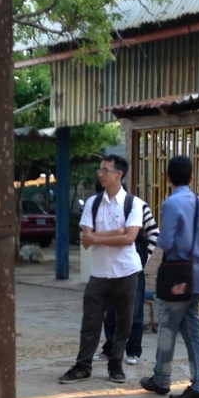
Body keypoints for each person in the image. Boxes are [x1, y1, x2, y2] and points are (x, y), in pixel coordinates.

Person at [60, 154, 145, 385]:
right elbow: (86, 240)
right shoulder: (93, 203)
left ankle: (115, 364)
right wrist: (115, 233)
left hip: (126, 271)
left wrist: (100, 236)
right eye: (100, 170)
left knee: (124, 321)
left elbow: (129, 238)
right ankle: (83, 366)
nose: (101, 174)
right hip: (99, 272)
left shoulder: (134, 204)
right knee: (91, 321)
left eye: (105, 170)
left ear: (118, 174)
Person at [140, 155, 199, 398]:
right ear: (191, 177)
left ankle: (162, 378)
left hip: (176, 277)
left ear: (167, 178)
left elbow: (167, 241)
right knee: (194, 334)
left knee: (167, 329)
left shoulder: (171, 204)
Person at [98, 190, 159, 364]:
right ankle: (110, 348)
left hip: (133, 268)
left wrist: (143, 259)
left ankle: (133, 351)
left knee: (135, 311)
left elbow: (154, 232)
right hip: (111, 268)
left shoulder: (137, 205)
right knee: (110, 311)